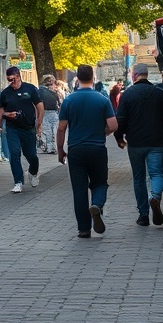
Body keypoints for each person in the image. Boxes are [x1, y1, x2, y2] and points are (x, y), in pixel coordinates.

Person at [57, 64, 117, 237]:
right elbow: (113, 125)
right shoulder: (102, 99)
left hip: (75, 150)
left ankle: (83, 229)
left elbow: (61, 128)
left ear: (77, 78)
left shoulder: (69, 100)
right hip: (97, 148)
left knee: (79, 189)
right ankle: (97, 205)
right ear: (93, 78)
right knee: (100, 183)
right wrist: (102, 133)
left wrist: (61, 150)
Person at [113, 63, 163, 227]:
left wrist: (119, 137)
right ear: (146, 74)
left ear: (134, 76)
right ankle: (155, 197)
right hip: (156, 141)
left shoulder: (128, 94)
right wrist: (160, 129)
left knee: (139, 178)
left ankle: (143, 215)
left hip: (136, 143)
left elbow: (121, 119)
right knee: (156, 174)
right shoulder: (159, 93)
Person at [0, 66, 44, 194]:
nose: (11, 82)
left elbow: (39, 106)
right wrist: (2, 121)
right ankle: (18, 181)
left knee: (32, 156)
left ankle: (33, 172)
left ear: (18, 76)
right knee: (14, 153)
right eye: (8, 80)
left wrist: (39, 123)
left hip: (28, 127)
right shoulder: (5, 93)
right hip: (12, 128)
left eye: (12, 79)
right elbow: (0, 110)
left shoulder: (30, 88)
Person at [38, 74, 61, 155]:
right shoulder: (53, 92)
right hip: (54, 113)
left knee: (48, 131)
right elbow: (58, 103)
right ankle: (55, 148)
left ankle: (50, 148)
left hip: (46, 112)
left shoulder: (40, 91)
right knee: (54, 131)